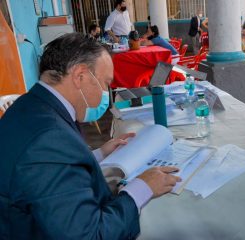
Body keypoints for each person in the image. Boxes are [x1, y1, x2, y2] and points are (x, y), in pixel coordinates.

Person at [0, 33, 181, 239]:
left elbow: (43, 173)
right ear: (80, 76)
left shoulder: (30, 105)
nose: (106, 92)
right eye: (105, 83)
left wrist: (96, 156)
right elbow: (90, 234)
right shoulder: (49, 140)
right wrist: (141, 189)